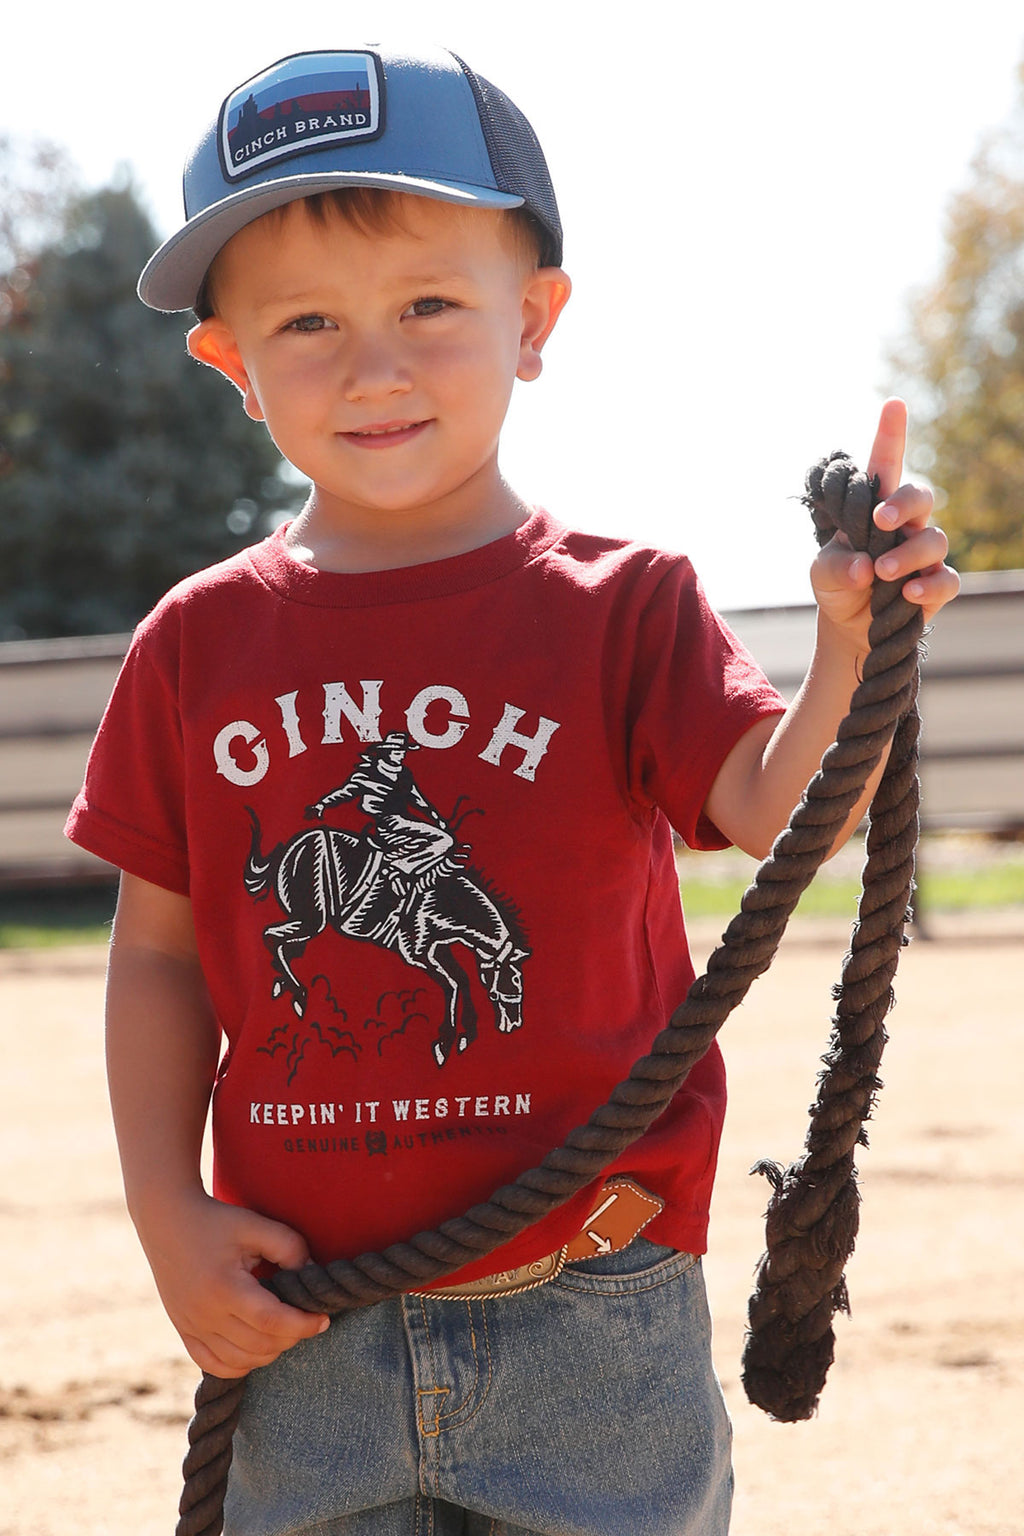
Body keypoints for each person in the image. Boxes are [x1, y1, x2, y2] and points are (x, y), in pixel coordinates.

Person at [65, 44, 959, 1536]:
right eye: (307, 323)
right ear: (232, 363)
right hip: (307, 1320)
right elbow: (157, 954)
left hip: (592, 1317)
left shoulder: (624, 604)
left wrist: (847, 657)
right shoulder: (193, 645)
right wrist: (169, 1214)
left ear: (533, 319)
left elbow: (763, 804)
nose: (375, 365)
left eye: (429, 305)